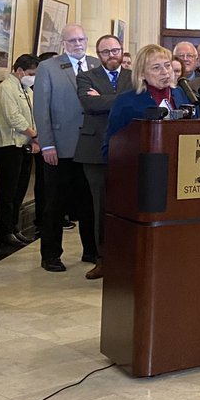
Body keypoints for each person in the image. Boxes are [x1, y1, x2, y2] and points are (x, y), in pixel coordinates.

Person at [33, 24, 100, 273]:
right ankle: (51, 254)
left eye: (81, 39)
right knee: (55, 204)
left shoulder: (95, 65)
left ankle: (91, 250)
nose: (78, 44)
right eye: (72, 41)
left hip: (90, 146)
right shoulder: (48, 68)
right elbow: (41, 108)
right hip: (60, 147)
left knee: (90, 203)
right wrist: (47, 143)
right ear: (63, 43)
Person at [75, 34, 131, 280]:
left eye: (115, 50)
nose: (112, 55)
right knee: (101, 206)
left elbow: (136, 104)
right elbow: (90, 105)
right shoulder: (86, 76)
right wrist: (122, 100)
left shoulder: (134, 77)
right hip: (95, 149)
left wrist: (105, 100)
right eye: (106, 52)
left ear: (122, 51)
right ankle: (102, 259)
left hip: (130, 149)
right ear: (98, 55)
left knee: (129, 205)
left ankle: (127, 258)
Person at [0, 55, 40, 249]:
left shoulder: (27, 89)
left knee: (20, 189)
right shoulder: (6, 89)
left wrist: (35, 137)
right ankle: (5, 231)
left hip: (25, 145)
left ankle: (14, 226)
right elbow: (14, 118)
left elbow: (33, 114)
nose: (32, 78)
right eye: (31, 74)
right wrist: (34, 135)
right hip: (8, 145)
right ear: (19, 70)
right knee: (8, 191)